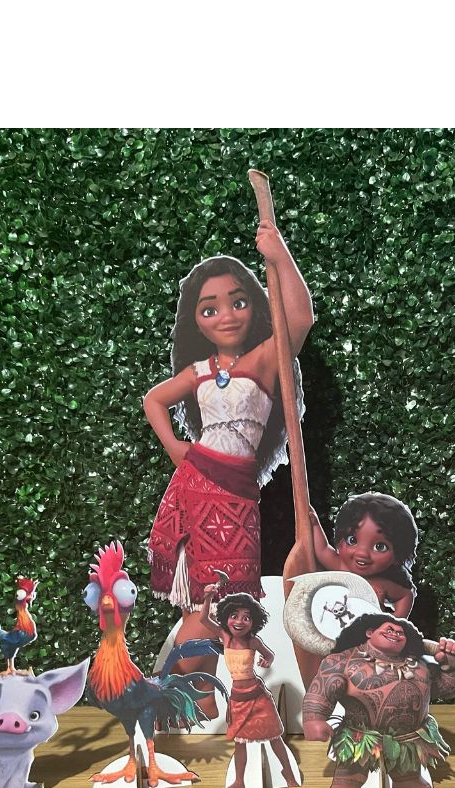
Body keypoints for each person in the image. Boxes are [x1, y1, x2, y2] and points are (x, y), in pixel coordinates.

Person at [144, 224, 314, 700]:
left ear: (255, 307)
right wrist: (175, 447)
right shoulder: (199, 371)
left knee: (224, 599)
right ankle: (182, 695)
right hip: (196, 487)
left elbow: (300, 319)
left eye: (238, 302)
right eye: (209, 309)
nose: (225, 316)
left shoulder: (263, 359)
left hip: (237, 492)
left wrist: (278, 253)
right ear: (196, 322)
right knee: (205, 602)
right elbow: (154, 399)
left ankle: (187, 693)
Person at [302, 613, 455, 788]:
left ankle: (406, 778)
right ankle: (347, 781)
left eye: (400, 632)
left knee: (406, 766)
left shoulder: (419, 664)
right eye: (389, 629)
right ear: (370, 632)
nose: (395, 633)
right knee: (353, 766)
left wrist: (452, 668)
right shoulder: (342, 661)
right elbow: (324, 688)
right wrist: (314, 718)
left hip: (409, 738)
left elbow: (446, 690)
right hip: (360, 738)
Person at [198, 587, 298, 788]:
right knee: (239, 741)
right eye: (234, 616)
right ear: (226, 618)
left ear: (254, 622)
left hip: (258, 696)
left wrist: (267, 661)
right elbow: (203, 619)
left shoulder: (253, 641)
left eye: (246, 618)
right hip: (238, 698)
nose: (239, 621)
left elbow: (269, 655)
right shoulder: (225, 637)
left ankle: (288, 773)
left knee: (274, 737)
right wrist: (208, 597)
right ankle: (239, 780)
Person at [309, 491, 418, 617]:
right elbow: (322, 550)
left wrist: (395, 620)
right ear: (339, 540)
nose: (362, 553)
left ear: (397, 556)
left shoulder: (382, 584)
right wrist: (315, 525)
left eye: (380, 547)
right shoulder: (341, 567)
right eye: (352, 540)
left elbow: (406, 595)